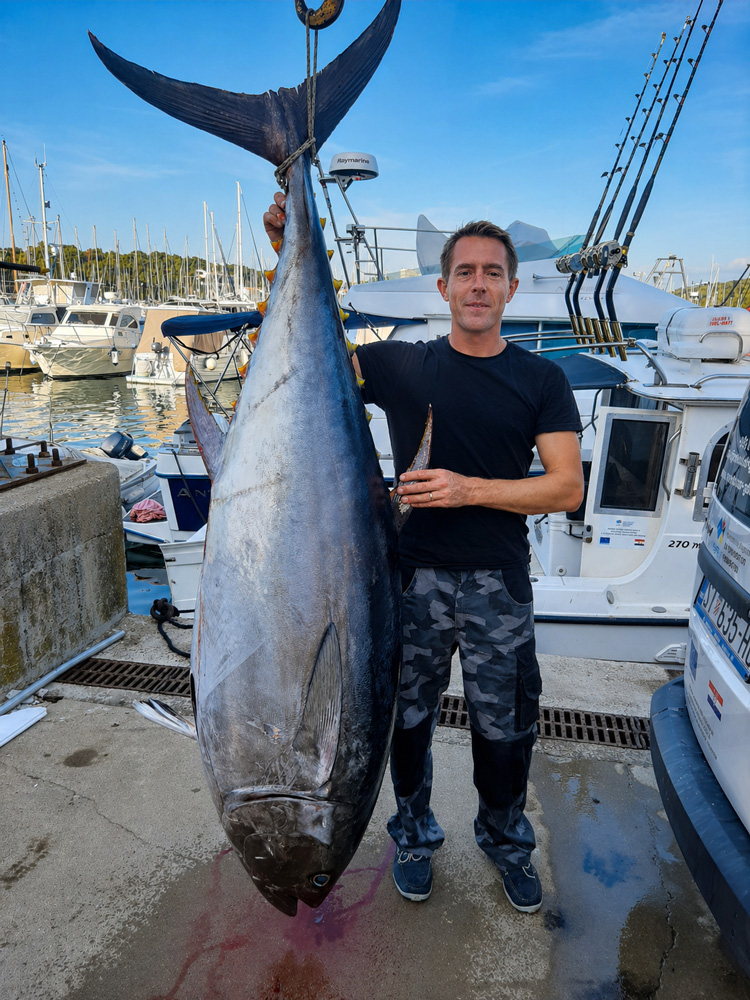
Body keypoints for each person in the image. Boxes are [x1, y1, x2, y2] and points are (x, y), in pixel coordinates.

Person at [264, 193, 584, 913]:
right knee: (404, 721)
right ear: (442, 288)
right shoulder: (400, 365)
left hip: (499, 583)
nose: (478, 283)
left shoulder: (542, 380)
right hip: (409, 582)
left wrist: (469, 489)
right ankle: (411, 834)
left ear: (511, 286)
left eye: (492, 272)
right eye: (464, 271)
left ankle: (505, 843)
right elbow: (296, 360)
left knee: (506, 729)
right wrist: (286, 254)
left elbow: (565, 489)